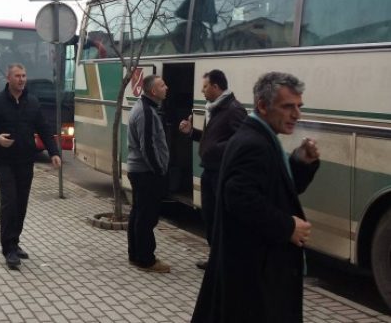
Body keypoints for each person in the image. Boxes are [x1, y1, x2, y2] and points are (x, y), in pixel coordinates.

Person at [191, 72, 320, 323]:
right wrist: (288, 226)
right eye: (287, 106)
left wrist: (300, 162)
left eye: (299, 106)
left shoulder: (262, 137)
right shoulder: (254, 142)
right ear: (262, 105)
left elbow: (274, 188)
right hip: (255, 277)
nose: (296, 114)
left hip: (254, 273)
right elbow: (239, 197)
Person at [0, 63, 61, 269]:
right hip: (3, 161)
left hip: (25, 161)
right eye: (17, 76)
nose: (22, 79)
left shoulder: (32, 102)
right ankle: (8, 249)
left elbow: (43, 128)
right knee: (9, 201)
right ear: (8, 78)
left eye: (24, 76)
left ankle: (15, 241)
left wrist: (54, 152)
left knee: (21, 203)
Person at [178, 69, 246, 269]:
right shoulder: (214, 108)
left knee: (221, 219)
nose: (202, 90)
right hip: (209, 171)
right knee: (209, 217)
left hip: (221, 173)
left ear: (216, 87)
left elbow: (242, 142)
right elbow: (211, 139)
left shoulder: (234, 110)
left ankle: (226, 261)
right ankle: (216, 257)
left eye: (205, 86)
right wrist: (192, 133)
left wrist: (214, 149)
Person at [126, 74, 171, 273]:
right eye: (162, 85)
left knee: (138, 213)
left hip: (141, 171)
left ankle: (135, 255)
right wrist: (159, 170)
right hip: (146, 172)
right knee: (146, 217)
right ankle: (146, 259)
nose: (166, 87)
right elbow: (148, 147)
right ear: (154, 91)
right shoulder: (146, 112)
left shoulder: (146, 108)